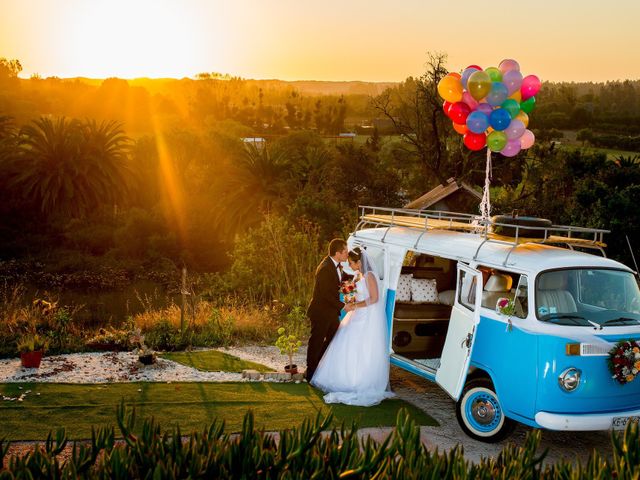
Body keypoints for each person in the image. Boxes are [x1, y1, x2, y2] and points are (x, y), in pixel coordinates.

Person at [310, 247, 394, 406]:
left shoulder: (369, 276)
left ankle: (358, 380)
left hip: (366, 317)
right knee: (345, 344)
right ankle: (341, 378)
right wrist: (350, 296)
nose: (350, 266)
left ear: (358, 262)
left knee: (361, 348)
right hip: (356, 314)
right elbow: (355, 293)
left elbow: (374, 299)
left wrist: (356, 305)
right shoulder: (357, 275)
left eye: (351, 263)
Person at [305, 238, 349, 381]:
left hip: (331, 313)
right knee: (316, 342)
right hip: (320, 312)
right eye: (345, 252)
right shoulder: (325, 268)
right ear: (338, 253)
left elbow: (338, 283)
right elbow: (326, 294)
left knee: (334, 339)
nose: (347, 254)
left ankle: (319, 365)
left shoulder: (337, 265)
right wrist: (343, 306)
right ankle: (310, 373)